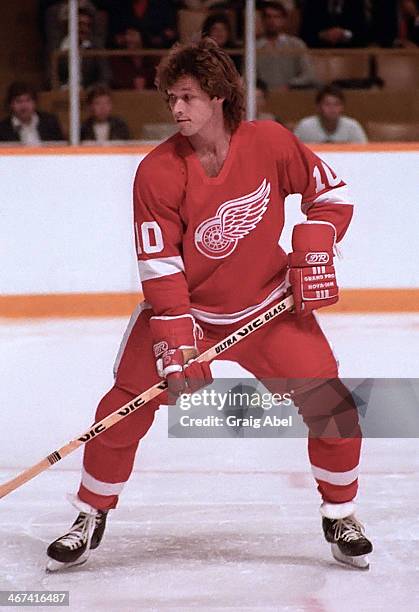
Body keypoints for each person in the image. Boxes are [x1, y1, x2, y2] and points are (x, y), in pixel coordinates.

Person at [46, 38, 372, 572]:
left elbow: (331, 196)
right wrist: (174, 340)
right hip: (188, 316)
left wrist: (316, 240)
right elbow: (159, 264)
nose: (176, 109)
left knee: (332, 408)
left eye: (188, 97)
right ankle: (89, 513)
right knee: (120, 412)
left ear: (219, 96)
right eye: (171, 98)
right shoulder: (157, 171)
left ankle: (341, 513)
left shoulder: (270, 142)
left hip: (266, 309)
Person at [256, 1, 317, 90]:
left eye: (277, 17)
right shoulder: (254, 47)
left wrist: (290, 85)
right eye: (268, 17)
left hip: (291, 94)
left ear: (283, 20)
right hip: (262, 97)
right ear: (263, 20)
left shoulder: (297, 44)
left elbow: (308, 75)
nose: (272, 21)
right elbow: (248, 77)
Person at [294, 85, 368, 143]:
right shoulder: (305, 127)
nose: (332, 108)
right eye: (327, 104)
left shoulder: (353, 127)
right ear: (318, 107)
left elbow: (365, 153)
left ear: (342, 107)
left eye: (337, 104)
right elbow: (292, 152)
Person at [58, 8, 110, 88]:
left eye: (87, 25)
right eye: (80, 24)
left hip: (89, 94)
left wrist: (92, 90)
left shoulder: (96, 47)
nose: (84, 29)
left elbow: (105, 76)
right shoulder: (58, 45)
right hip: (63, 93)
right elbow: (50, 75)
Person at [0, 81, 64, 145]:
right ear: (11, 104)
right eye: (18, 101)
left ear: (35, 102)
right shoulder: (3, 129)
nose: (24, 106)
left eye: (28, 100)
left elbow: (62, 148)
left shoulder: (50, 122)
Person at [300, 0, 368, 48]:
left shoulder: (356, 3)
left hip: (350, 55)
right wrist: (323, 35)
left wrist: (345, 34)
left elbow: (363, 35)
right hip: (319, 54)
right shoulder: (313, 3)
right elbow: (304, 35)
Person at [110, 26, 155, 90]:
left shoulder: (150, 58)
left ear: (141, 37)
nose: (128, 38)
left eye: (132, 35)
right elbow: (116, 81)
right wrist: (132, 83)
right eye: (126, 35)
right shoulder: (118, 58)